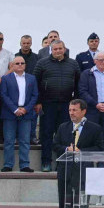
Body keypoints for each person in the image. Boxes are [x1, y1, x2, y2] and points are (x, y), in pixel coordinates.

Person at [53, 99, 104, 208]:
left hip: (84, 171)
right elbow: (55, 145)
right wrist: (66, 149)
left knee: (82, 204)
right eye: (70, 110)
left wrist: (82, 151)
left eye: (75, 110)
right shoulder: (63, 127)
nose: (71, 113)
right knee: (65, 203)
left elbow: (100, 148)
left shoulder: (94, 128)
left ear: (83, 111)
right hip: (65, 170)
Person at [35, 40, 80, 171]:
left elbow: (78, 83)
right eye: (55, 49)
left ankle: (62, 163)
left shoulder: (73, 64)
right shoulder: (42, 63)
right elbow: (35, 83)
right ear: (51, 50)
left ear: (64, 49)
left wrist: (75, 103)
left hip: (67, 105)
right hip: (47, 104)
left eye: (60, 48)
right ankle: (46, 162)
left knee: (65, 135)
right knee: (47, 134)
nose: (58, 51)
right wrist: (38, 102)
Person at [0, 55, 38, 172]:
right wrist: (15, 109)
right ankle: (8, 164)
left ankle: (25, 164)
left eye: (22, 63)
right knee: (9, 141)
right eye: (17, 63)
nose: (20, 65)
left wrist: (26, 109)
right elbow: (3, 95)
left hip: (26, 113)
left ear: (25, 65)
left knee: (25, 140)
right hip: (10, 113)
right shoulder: (6, 78)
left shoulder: (32, 78)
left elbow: (35, 95)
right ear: (12, 65)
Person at [78, 50, 104, 144]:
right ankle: (92, 159)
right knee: (90, 139)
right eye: (101, 60)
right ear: (95, 60)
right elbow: (83, 91)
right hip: (92, 110)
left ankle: (103, 159)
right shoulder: (87, 74)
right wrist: (95, 104)